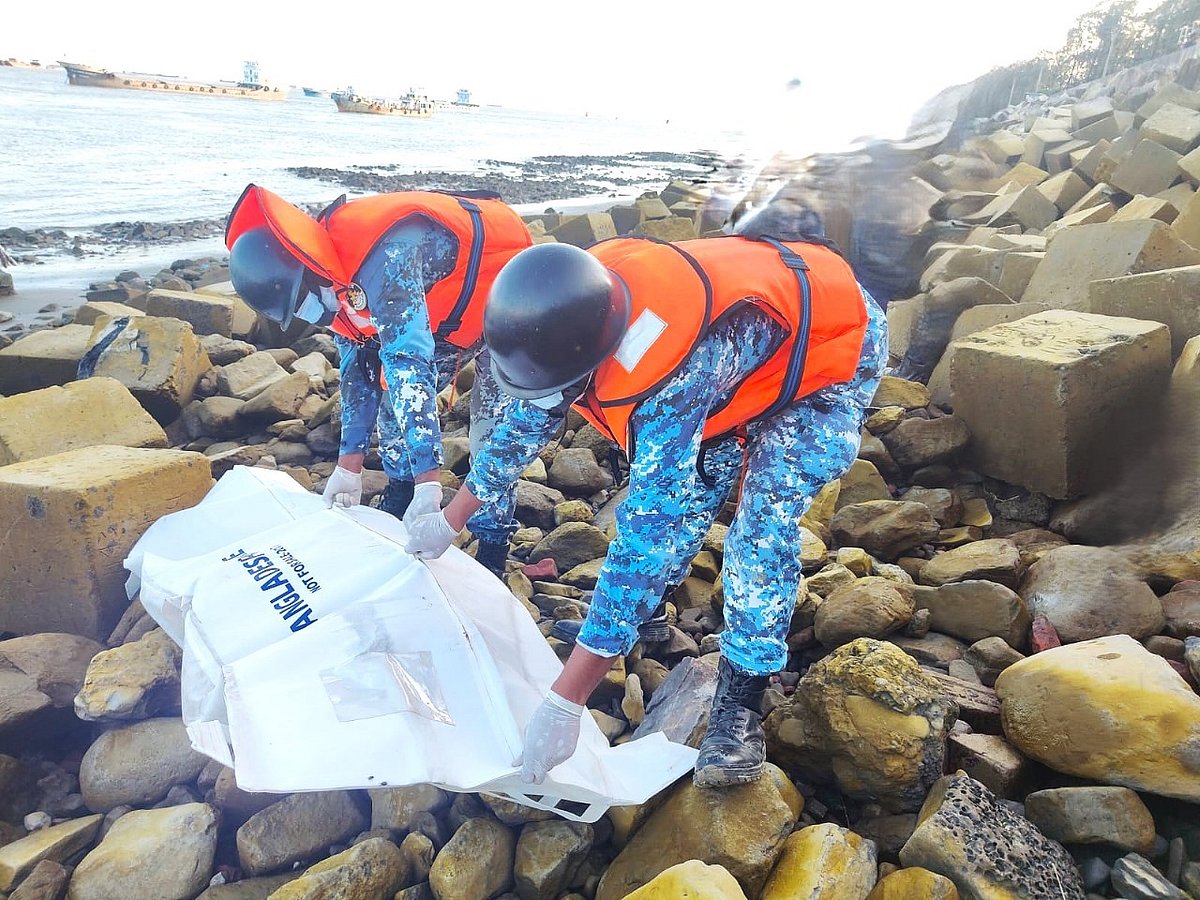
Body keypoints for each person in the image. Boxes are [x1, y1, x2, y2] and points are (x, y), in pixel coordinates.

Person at [404, 214, 888, 788]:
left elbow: (646, 534)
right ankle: (646, 619)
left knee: (760, 528)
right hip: (738, 355)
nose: (552, 401)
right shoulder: (569, 306)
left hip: (833, 351)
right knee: (699, 486)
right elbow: (524, 426)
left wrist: (567, 699)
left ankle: (740, 702)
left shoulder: (668, 373)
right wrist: (447, 521)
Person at [225, 184, 532, 575]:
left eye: (302, 302)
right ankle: (399, 499)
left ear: (308, 269)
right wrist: (348, 463)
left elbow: (409, 365)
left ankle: (492, 550)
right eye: (296, 312)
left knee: (491, 436)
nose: (307, 314)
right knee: (392, 412)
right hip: (445, 318)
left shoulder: (388, 258)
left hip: (506, 312)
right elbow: (358, 367)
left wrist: (430, 480)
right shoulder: (328, 276)